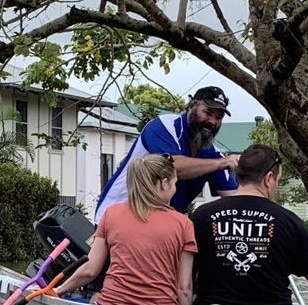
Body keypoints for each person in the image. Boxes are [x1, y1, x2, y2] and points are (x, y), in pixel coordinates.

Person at [190, 144, 308, 305]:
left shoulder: (201, 216)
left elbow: (184, 277)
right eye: (278, 180)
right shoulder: (288, 221)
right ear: (269, 178)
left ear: (238, 175)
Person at [56, 155, 196, 305]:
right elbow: (184, 288)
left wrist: (58, 290)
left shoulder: (111, 214)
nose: (175, 189)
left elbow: (89, 270)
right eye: (174, 184)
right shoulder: (183, 224)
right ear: (164, 184)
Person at [94, 86, 241, 223]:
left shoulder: (212, 154)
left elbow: (235, 198)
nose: (212, 122)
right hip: (118, 217)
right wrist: (220, 163)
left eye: (219, 117)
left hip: (158, 226)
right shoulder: (164, 127)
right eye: (208, 113)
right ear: (190, 108)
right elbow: (172, 167)